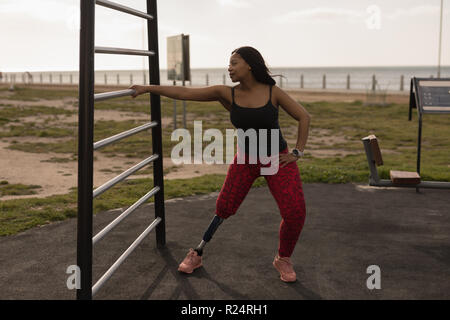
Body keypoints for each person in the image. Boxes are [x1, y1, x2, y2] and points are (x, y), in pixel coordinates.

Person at [129, 46, 311, 283]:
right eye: (229, 63)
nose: (229, 68)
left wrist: (297, 151)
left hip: (276, 157)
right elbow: (183, 92)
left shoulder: (272, 92)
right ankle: (197, 252)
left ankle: (283, 258)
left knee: (295, 212)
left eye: (234, 63)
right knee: (224, 206)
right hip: (245, 159)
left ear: (249, 65)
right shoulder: (226, 93)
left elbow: (304, 116)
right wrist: (147, 88)